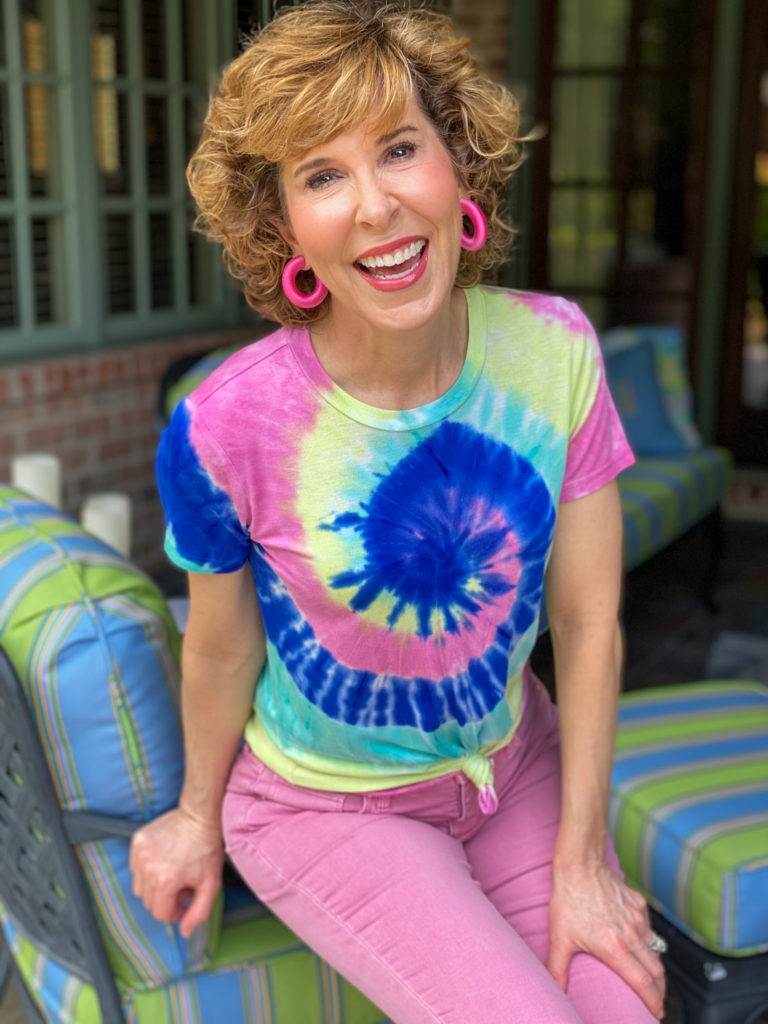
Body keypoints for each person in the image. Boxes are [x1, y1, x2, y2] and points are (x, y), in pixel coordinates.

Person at [129, 3, 667, 1021]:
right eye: (321, 175)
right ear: (281, 222)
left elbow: (590, 625)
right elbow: (219, 650)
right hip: (325, 808)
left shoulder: (553, 355)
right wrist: (194, 815)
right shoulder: (224, 426)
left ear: (457, 164)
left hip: (516, 767)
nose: (374, 206)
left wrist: (583, 859)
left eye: (399, 149)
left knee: (628, 1004)